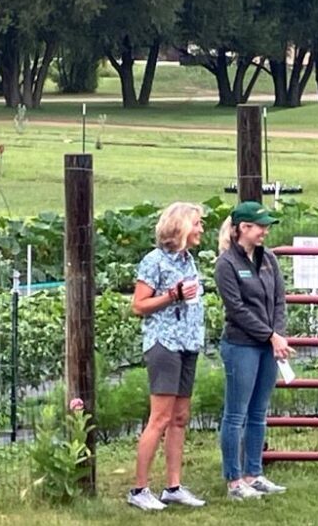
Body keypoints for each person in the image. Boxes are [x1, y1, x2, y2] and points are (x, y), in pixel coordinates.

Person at [127, 202, 208, 511]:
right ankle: (139, 490)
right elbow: (138, 306)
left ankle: (173, 486)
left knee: (179, 417)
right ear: (181, 226)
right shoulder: (154, 261)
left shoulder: (189, 261)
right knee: (159, 417)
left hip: (188, 343)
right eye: (197, 223)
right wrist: (171, 296)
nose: (201, 229)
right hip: (164, 344)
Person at [213, 200, 293, 501]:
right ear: (242, 228)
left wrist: (278, 335)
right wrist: (271, 335)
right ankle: (234, 480)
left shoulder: (268, 259)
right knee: (236, 414)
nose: (265, 232)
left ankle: (253, 473)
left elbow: (279, 301)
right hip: (241, 345)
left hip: (269, 345)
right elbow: (237, 310)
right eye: (260, 226)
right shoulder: (226, 264)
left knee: (259, 412)